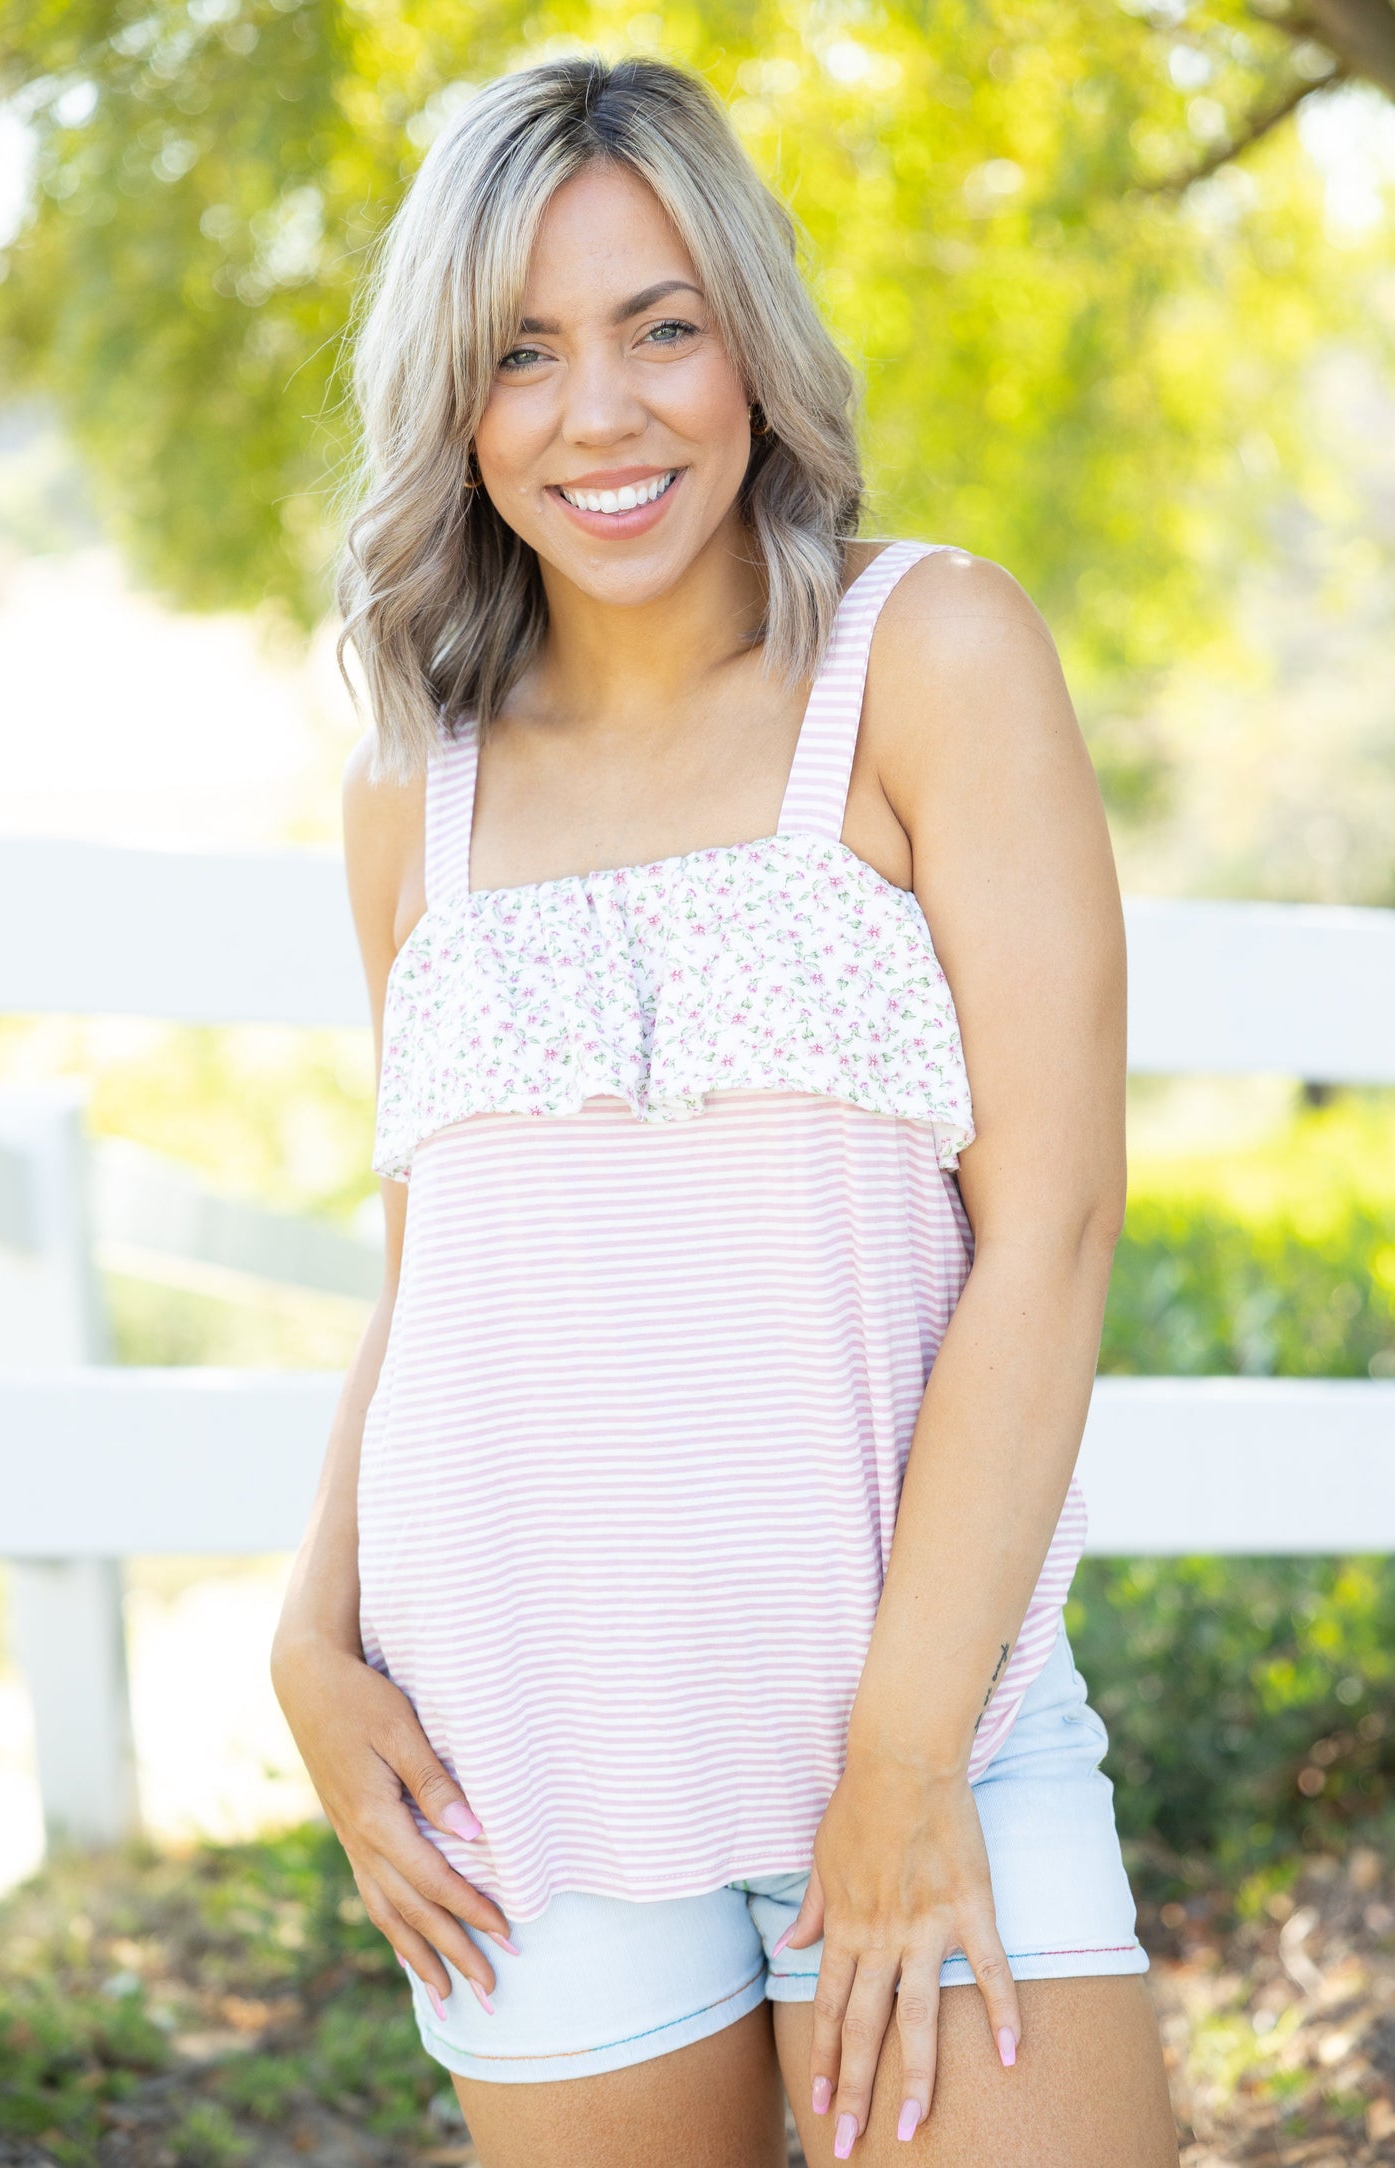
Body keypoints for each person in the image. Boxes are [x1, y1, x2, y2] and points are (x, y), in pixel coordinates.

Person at [271, 54, 1179, 2167]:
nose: (603, 413)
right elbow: (441, 1284)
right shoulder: (416, 788)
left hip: (935, 1728)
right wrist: (312, 1641)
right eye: (523, 353)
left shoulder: (930, 652)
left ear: (750, 343)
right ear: (453, 404)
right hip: (535, 1775)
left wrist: (900, 1761)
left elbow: (1046, 1231)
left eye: (659, 326)